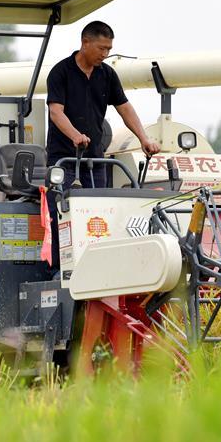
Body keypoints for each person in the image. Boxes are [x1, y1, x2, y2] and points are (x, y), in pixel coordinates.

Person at [45, 21, 161, 266]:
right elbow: (56, 112)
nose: (105, 54)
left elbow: (124, 108)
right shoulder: (61, 72)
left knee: (100, 216)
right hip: (63, 161)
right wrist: (75, 135)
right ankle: (61, 271)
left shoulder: (107, 74)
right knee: (63, 216)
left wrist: (144, 138)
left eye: (109, 49)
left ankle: (100, 268)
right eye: (101, 48)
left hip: (95, 160)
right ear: (85, 43)